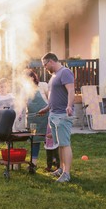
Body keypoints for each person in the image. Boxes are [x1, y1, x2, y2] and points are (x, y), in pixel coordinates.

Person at [38, 52, 75, 183]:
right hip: (53, 114)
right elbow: (54, 95)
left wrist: (69, 106)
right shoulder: (54, 76)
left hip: (62, 115)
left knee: (65, 144)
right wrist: (47, 108)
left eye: (45, 65)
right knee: (59, 144)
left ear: (51, 61)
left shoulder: (65, 72)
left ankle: (67, 173)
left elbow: (71, 90)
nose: (44, 68)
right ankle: (60, 168)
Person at [24, 69, 49, 172]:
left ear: (32, 77)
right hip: (32, 120)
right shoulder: (25, 90)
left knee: (49, 139)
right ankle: (33, 164)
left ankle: (52, 163)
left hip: (45, 118)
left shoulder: (43, 85)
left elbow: (50, 99)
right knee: (34, 140)